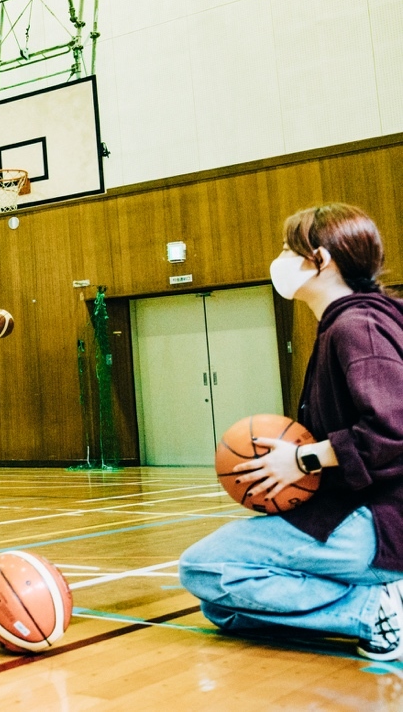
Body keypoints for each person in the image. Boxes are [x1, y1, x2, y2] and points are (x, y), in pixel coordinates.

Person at [180, 204, 403, 660]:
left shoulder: (356, 327)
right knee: (224, 609)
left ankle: (376, 610)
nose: (279, 260)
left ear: (320, 259)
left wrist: (303, 459)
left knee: (204, 569)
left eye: (288, 250)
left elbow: (393, 430)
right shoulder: (361, 320)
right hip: (365, 513)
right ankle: (384, 598)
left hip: (381, 521)